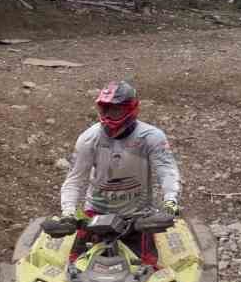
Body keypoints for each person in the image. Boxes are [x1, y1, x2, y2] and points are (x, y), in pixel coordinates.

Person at [50, 80, 181, 260]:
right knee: (73, 266)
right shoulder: (89, 138)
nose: (111, 114)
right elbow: (74, 179)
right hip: (95, 216)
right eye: (107, 109)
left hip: (138, 217)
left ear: (131, 108)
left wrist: (170, 202)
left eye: (117, 109)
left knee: (149, 267)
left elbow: (167, 171)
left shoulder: (151, 137)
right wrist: (68, 214)